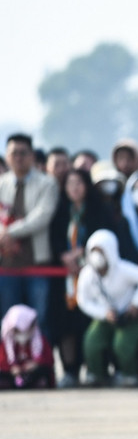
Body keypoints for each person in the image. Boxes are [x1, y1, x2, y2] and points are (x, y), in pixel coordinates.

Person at [49, 168, 122, 387]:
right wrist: (64, 255)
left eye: (79, 183)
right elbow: (52, 238)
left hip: (93, 274)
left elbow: (106, 238)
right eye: (70, 183)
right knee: (66, 325)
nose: (75, 187)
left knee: (89, 323)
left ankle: (94, 368)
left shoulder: (99, 210)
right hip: (65, 278)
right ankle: (70, 370)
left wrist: (84, 253)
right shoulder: (61, 211)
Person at [76, 229, 138, 387]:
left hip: (128, 316)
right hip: (105, 317)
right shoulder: (87, 274)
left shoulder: (123, 269)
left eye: (100, 251)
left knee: (122, 345)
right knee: (91, 342)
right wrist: (103, 313)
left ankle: (130, 374)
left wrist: (136, 304)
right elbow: (82, 300)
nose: (96, 256)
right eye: (93, 251)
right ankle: (97, 375)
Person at [0, 134, 60, 334]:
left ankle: (41, 364)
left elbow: (42, 216)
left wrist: (9, 232)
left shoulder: (47, 183)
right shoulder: (2, 184)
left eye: (23, 153)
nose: (18, 157)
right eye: (14, 153)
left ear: (32, 155)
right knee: (8, 320)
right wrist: (2, 233)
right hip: (7, 266)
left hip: (37, 264)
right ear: (7, 157)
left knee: (39, 319)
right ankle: (8, 364)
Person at [0, 304, 54, 389]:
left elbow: (49, 360)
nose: (23, 333)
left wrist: (36, 364)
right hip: (12, 376)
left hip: (31, 375)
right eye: (18, 330)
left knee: (43, 373)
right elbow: (2, 361)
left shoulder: (39, 339)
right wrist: (12, 368)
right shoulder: (7, 342)